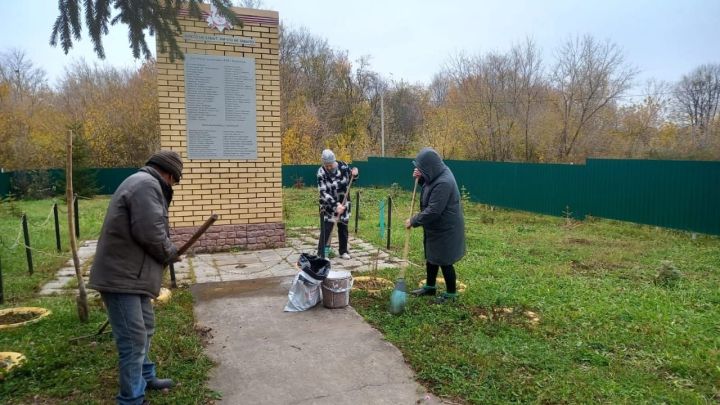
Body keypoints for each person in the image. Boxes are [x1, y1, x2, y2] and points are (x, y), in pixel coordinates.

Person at [89, 150, 183, 405]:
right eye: (175, 180)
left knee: (145, 328)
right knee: (132, 339)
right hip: (121, 278)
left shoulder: (142, 182)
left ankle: (146, 377)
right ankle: (131, 399)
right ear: (168, 174)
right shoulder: (146, 185)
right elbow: (150, 232)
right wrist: (169, 252)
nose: (174, 185)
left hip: (132, 275)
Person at [404, 147, 466, 303]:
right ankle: (430, 287)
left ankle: (451, 294)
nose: (418, 169)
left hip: (446, 227)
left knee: (445, 260)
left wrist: (414, 220)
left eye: (421, 168)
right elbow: (429, 188)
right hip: (436, 226)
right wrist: (422, 179)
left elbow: (434, 210)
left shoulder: (444, 182)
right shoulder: (436, 174)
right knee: (432, 256)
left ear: (430, 166)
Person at [317, 149, 359, 259]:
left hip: (344, 202)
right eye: (326, 165)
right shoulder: (321, 172)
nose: (329, 167)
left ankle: (343, 251)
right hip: (328, 206)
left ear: (334, 161)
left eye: (330, 165)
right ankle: (322, 254)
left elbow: (352, 177)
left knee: (343, 227)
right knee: (327, 229)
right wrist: (336, 206)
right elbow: (323, 192)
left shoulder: (343, 166)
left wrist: (355, 172)